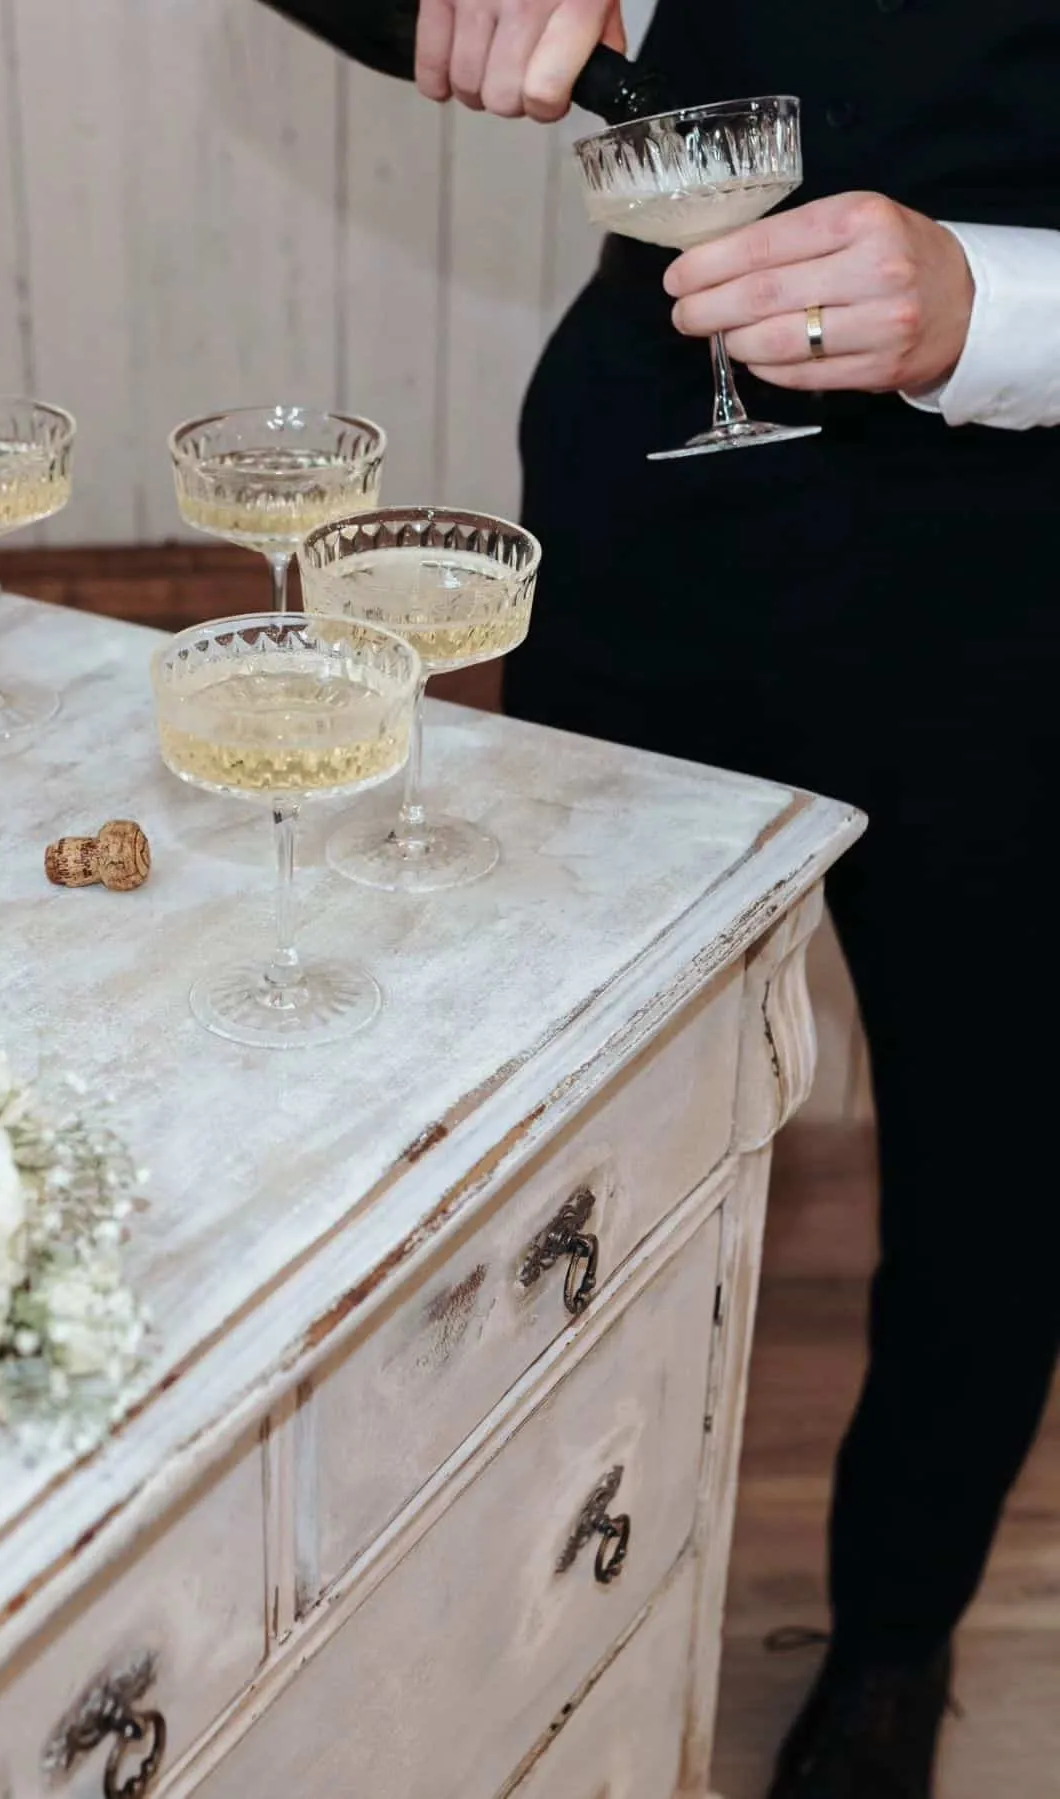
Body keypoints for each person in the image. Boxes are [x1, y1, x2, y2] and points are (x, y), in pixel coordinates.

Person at [414, 3, 1060, 1796]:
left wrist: (1001, 303)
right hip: (652, 494)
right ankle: (509, 1609)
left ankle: (895, 1641)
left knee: (996, 1158)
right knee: (569, 1119)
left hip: (1022, 569)